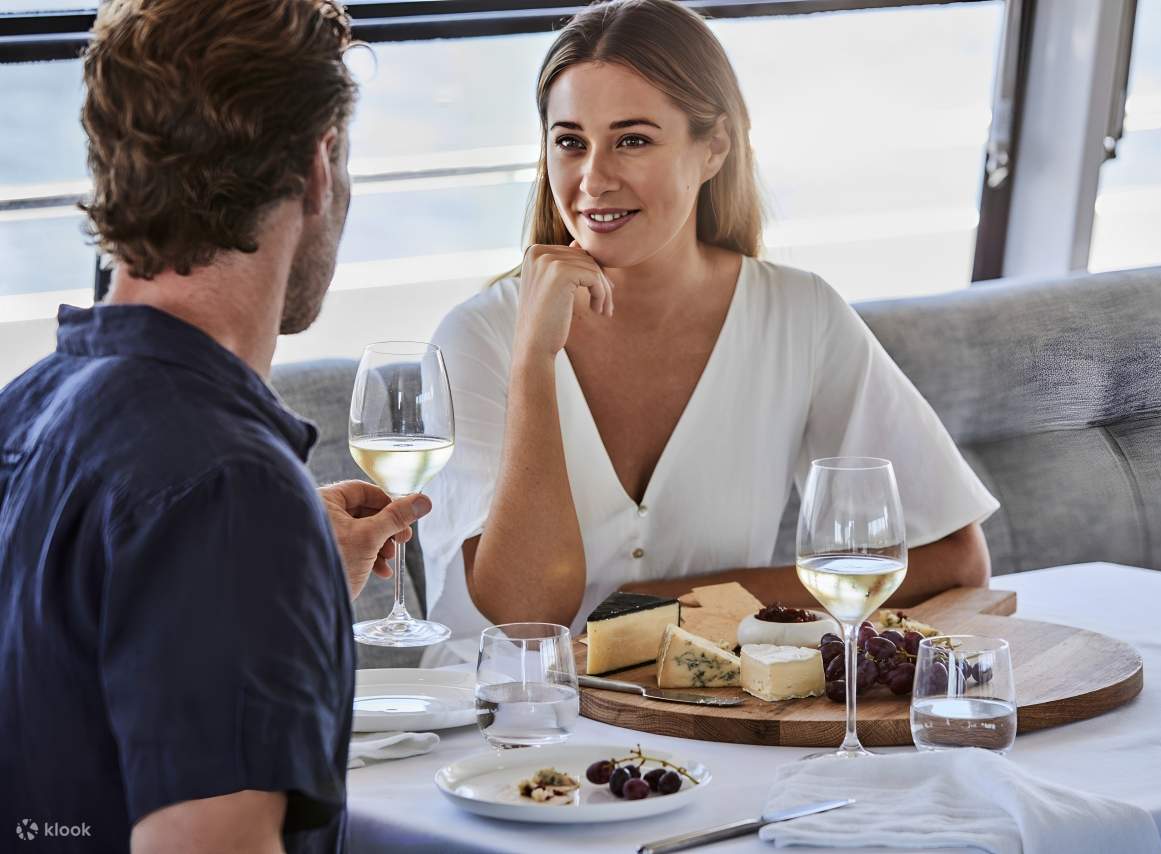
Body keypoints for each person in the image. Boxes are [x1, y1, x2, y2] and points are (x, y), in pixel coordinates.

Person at [419, 0, 999, 643]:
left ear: (714, 147)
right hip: (503, 726)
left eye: (632, 140)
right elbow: (529, 615)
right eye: (570, 142)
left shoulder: (798, 318)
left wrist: (663, 604)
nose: (594, 178)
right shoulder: (475, 341)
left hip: (710, 724)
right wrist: (533, 362)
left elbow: (953, 557)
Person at [0, 2, 425, 851]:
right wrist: (261, 548)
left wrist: (293, 598)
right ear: (318, 165)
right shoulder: (229, 488)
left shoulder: (27, 408)